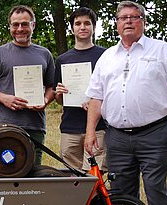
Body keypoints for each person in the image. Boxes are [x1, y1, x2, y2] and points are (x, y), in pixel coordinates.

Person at [84, 1, 167, 205]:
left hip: (155, 135)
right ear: (116, 24)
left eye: (134, 17)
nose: (128, 21)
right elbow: (96, 97)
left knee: (155, 188)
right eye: (123, 18)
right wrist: (90, 131)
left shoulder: (161, 50)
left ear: (143, 21)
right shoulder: (107, 57)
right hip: (117, 138)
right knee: (121, 192)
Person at [0, 5, 55, 165]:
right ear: (10, 27)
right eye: (15, 24)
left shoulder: (44, 54)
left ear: (33, 25)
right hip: (6, 126)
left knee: (34, 176)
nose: (20, 29)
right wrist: (4, 98)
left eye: (24, 24)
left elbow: (51, 87)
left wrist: (45, 100)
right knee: (7, 173)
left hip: (35, 126)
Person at [54, 7, 107, 171]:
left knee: (94, 177)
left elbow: (112, 91)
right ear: (72, 28)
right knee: (72, 179)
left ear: (94, 27)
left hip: (98, 127)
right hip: (70, 127)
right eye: (78, 23)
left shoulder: (106, 56)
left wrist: (96, 102)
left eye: (87, 23)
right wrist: (59, 94)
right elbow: (59, 100)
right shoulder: (62, 59)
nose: (82, 27)